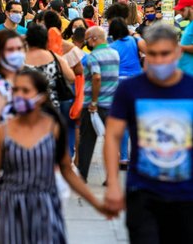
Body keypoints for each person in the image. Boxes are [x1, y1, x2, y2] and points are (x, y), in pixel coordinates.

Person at [0, 69, 115, 244]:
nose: (18, 96)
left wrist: (96, 204)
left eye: (25, 91)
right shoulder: (2, 132)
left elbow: (67, 171)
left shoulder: (53, 128)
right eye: (15, 90)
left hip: (46, 210)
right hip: (11, 212)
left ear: (41, 96)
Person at [104, 23, 193, 244]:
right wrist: (114, 184)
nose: (159, 60)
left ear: (178, 52)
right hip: (143, 193)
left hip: (186, 195)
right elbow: (113, 136)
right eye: (152, 54)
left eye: (165, 54)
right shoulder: (130, 89)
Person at [78, 26, 119, 182]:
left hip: (93, 105)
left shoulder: (93, 56)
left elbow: (96, 78)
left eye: (87, 39)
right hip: (111, 104)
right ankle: (111, 176)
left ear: (94, 39)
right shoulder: (115, 54)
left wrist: (94, 102)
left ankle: (82, 176)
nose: (87, 42)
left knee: (87, 141)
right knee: (111, 141)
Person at [108, 18, 144, 169]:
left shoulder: (112, 46)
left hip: (120, 84)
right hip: (137, 81)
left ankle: (123, 158)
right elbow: (147, 49)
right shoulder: (134, 41)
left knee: (122, 121)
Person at [25, 24, 75, 109]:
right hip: (51, 107)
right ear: (46, 40)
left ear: (27, 40)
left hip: (26, 106)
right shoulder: (55, 58)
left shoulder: (21, 59)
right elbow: (71, 78)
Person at [174, 0, 193, 75]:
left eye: (182, 10)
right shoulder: (190, 24)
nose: (180, 13)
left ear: (191, 8)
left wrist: (179, 46)